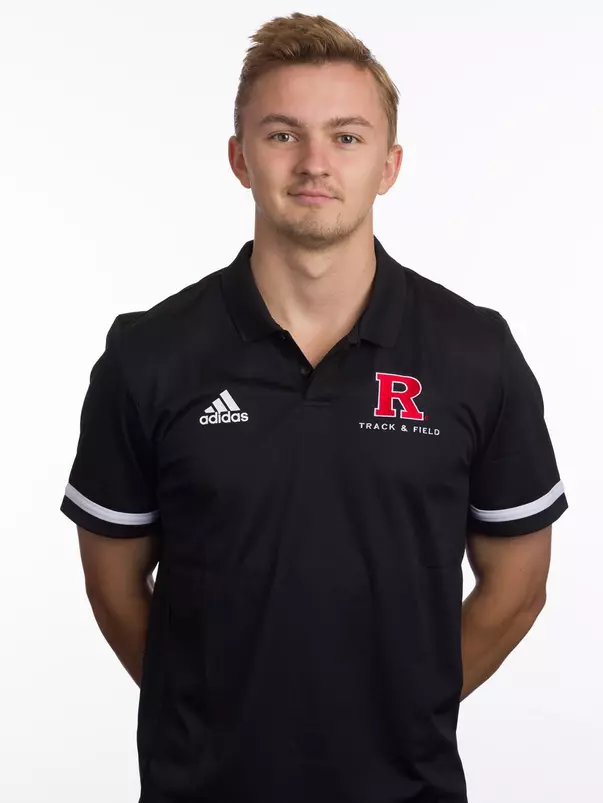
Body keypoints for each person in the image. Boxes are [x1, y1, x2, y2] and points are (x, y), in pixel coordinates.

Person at [59, 12, 568, 803]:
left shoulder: (474, 352)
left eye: (347, 136)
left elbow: (518, 582)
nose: (314, 164)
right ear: (239, 158)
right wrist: (214, 710)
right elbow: (113, 585)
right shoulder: (148, 353)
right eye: (282, 134)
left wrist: (400, 709)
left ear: (389, 164)